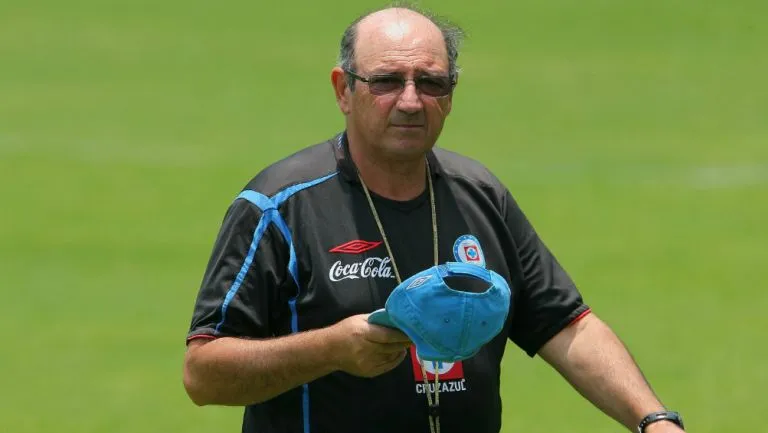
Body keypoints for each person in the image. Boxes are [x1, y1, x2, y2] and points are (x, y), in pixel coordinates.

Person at [182, 5, 686, 433]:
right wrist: (330, 349)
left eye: (430, 83)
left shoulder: (480, 195)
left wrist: (654, 420)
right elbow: (203, 373)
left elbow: (567, 326)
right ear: (343, 90)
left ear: (451, 93)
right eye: (386, 82)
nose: (410, 101)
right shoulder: (279, 207)